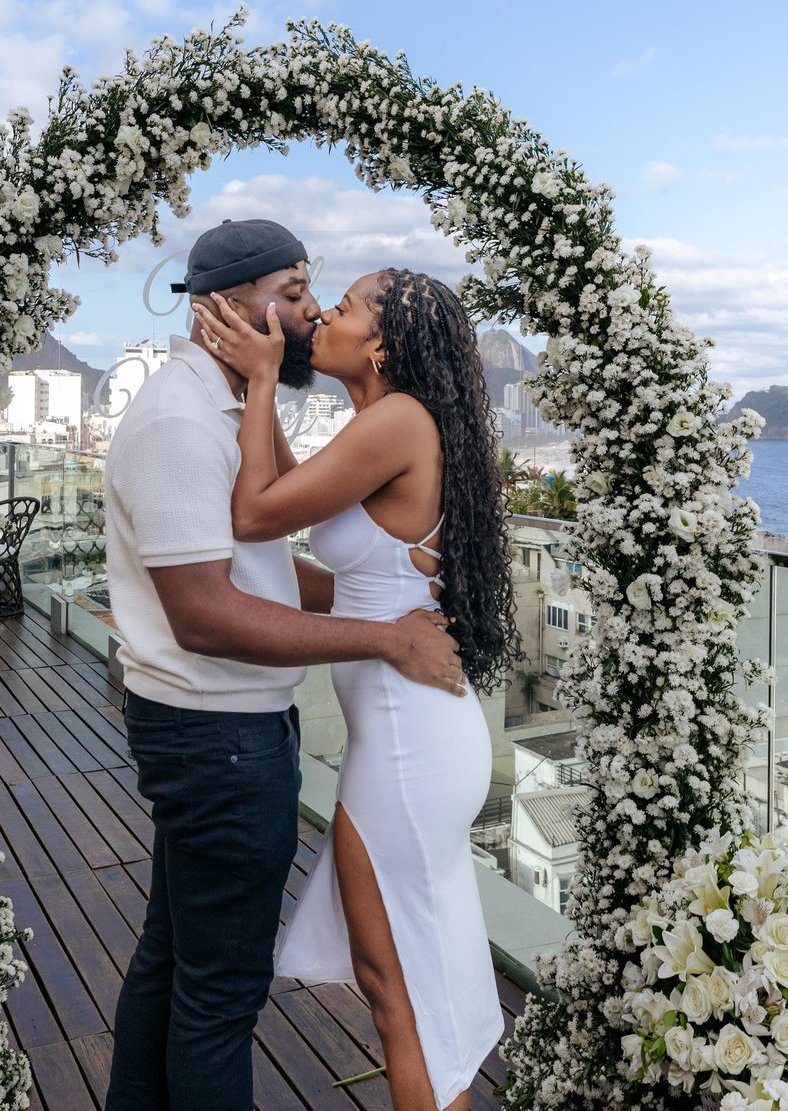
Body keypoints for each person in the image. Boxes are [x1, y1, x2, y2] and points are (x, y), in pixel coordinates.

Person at [102, 221, 467, 1111]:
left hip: (259, 731)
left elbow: (262, 561)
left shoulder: (236, 410)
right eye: (296, 293)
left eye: (321, 296)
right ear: (224, 309)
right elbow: (206, 611)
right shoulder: (181, 421)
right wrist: (386, 634)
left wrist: (387, 613)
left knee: (182, 962)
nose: (311, 313)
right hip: (217, 737)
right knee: (220, 991)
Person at [195, 266, 519, 1111]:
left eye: (341, 308)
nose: (322, 317)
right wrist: (266, 388)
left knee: (399, 994)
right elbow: (296, 498)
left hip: (408, 750)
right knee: (410, 986)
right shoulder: (383, 423)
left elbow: (253, 513)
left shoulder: (399, 420)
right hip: (412, 737)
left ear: (381, 343)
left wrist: (261, 378)